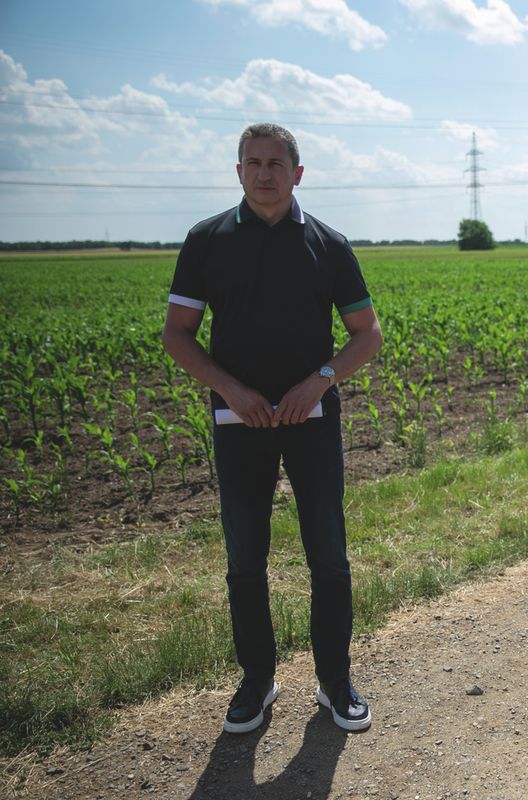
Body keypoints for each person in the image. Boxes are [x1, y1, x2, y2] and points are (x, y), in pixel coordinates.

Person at [162, 122, 383, 734]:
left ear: (297, 173)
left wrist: (320, 379)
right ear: (238, 172)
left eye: (276, 163)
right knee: (244, 559)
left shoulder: (327, 244)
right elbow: (177, 335)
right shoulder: (205, 241)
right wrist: (230, 388)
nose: (264, 173)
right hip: (238, 422)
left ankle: (335, 683)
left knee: (329, 557)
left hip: (311, 421)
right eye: (252, 163)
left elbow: (367, 335)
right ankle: (257, 681)